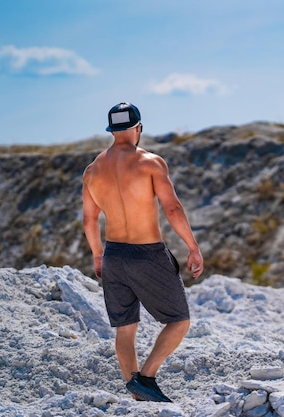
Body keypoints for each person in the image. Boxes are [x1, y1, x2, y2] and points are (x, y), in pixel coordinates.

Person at [82, 102, 204, 402]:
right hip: (147, 253)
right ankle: (146, 378)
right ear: (138, 128)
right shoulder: (151, 162)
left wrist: (98, 255)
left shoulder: (92, 170)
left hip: (112, 255)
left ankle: (135, 391)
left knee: (125, 328)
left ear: (112, 131)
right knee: (179, 320)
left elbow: (89, 219)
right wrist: (192, 247)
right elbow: (172, 208)